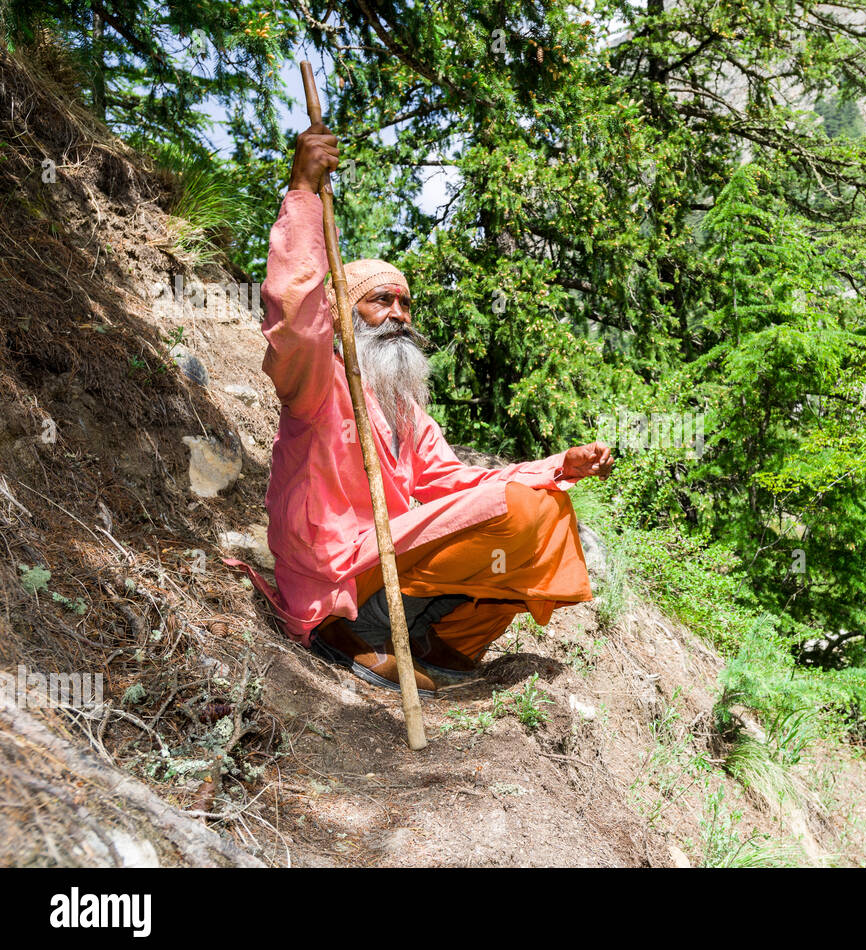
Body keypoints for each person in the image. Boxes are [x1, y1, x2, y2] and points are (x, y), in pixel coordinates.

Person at [228, 121, 613, 696]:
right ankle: (345, 634)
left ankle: (442, 644)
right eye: (382, 301)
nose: (400, 313)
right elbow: (295, 317)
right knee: (520, 512)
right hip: (337, 575)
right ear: (343, 315)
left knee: (542, 511)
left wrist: (559, 467)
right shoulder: (317, 379)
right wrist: (304, 192)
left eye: (406, 303)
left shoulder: (406, 411)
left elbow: (457, 485)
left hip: (387, 563)